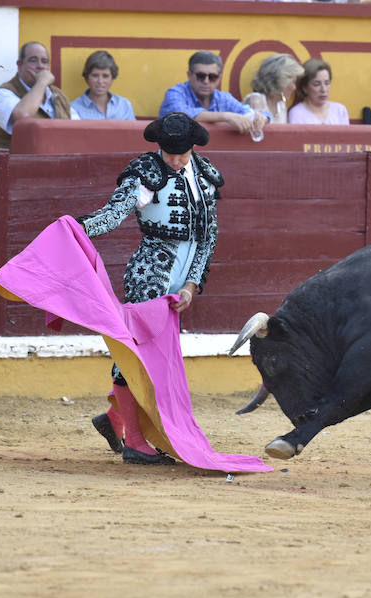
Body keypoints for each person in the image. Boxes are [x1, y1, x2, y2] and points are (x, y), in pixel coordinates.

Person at [77, 112, 223, 465]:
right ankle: (136, 442)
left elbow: (208, 236)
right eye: (168, 153)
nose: (174, 160)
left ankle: (115, 419)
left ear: (193, 147)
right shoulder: (145, 173)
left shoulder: (205, 176)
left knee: (155, 357)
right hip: (150, 271)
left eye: (181, 153)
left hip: (180, 276)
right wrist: (80, 228)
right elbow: (115, 213)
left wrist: (191, 285)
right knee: (137, 354)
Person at [0, 41, 79, 149]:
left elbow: (78, 131)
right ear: (19, 65)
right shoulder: (3, 94)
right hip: (18, 164)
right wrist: (41, 82)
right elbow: (22, 115)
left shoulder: (59, 95)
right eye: (33, 60)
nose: (40, 66)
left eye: (44, 62)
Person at [159, 51, 264, 137]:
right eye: (200, 76)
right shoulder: (175, 93)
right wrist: (226, 116)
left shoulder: (223, 98)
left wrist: (260, 117)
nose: (206, 81)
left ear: (220, 77)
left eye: (212, 77)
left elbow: (251, 112)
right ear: (189, 75)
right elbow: (181, 114)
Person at [70, 50, 136, 120]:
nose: (100, 81)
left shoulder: (124, 105)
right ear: (87, 77)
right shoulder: (74, 108)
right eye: (95, 75)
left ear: (112, 77)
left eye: (105, 76)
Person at [244, 53, 304, 124]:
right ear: (281, 81)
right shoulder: (257, 100)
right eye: (293, 82)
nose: (294, 88)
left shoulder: (281, 105)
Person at [287, 58, 350, 125]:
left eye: (327, 83)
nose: (324, 90)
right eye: (317, 84)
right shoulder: (296, 114)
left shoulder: (340, 110)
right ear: (304, 88)